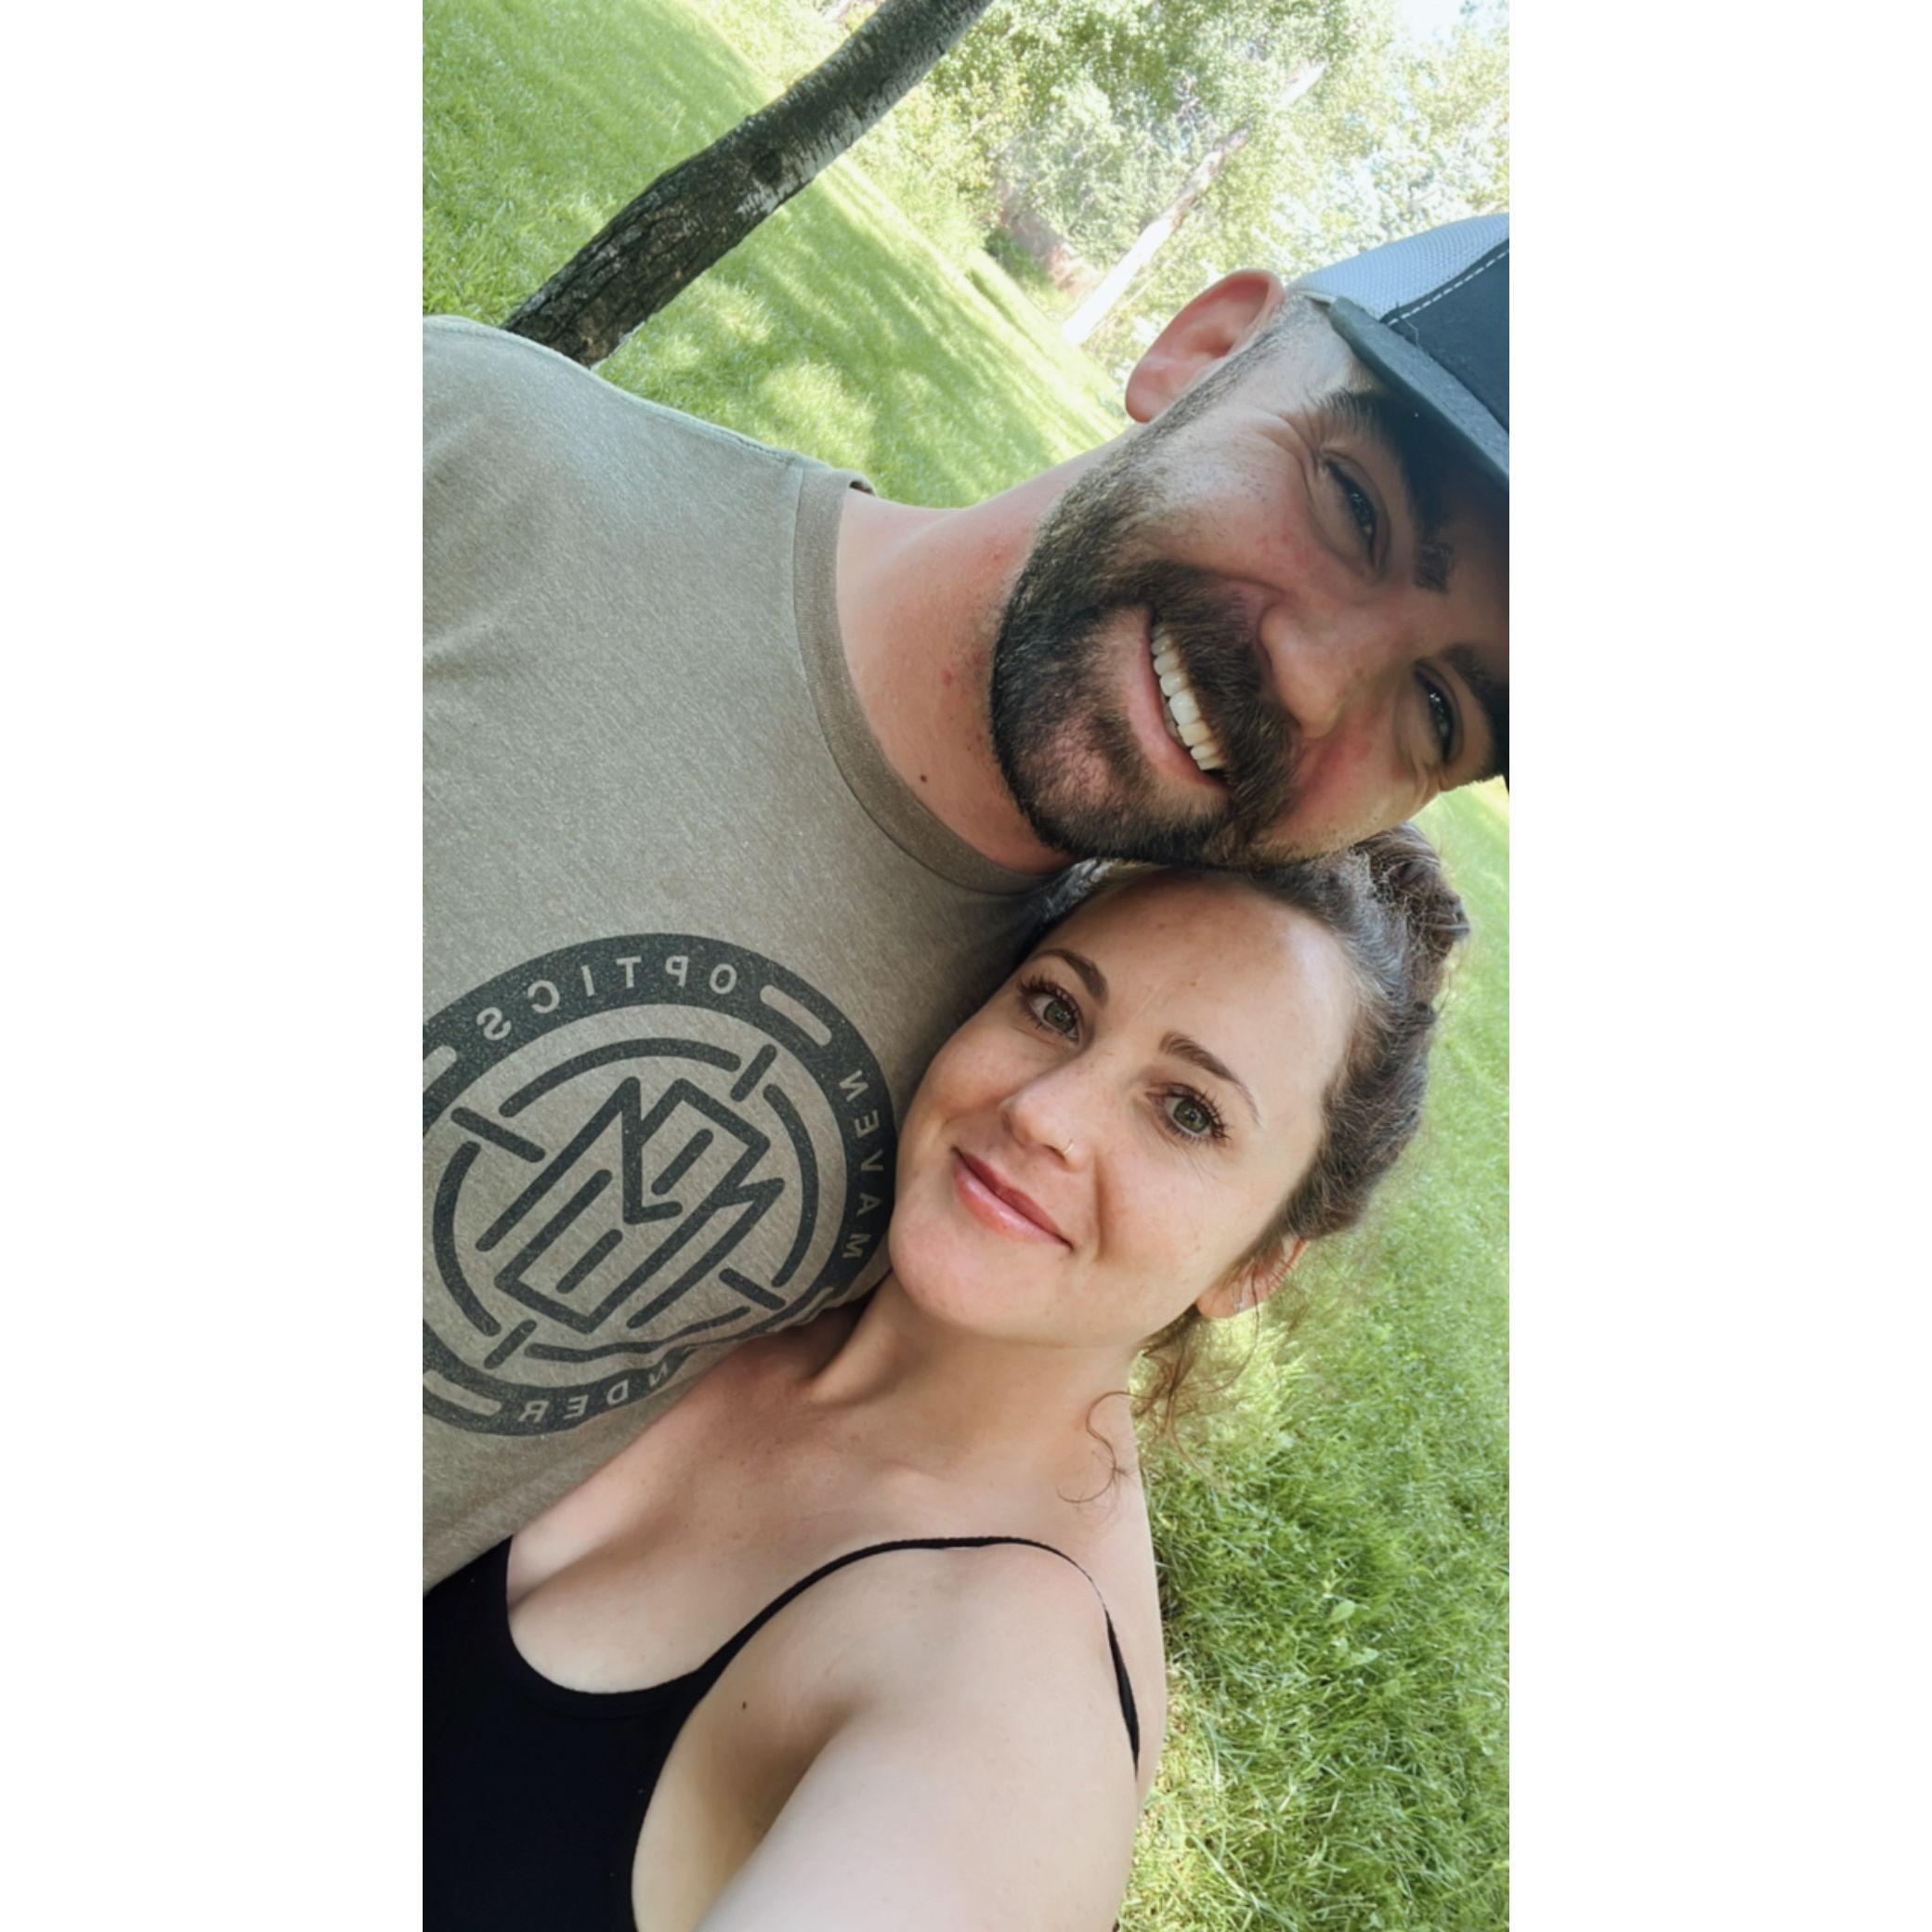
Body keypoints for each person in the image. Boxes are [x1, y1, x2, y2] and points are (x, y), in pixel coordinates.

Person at [424, 214, 1508, 1584]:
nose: (1313, 679)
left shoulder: (1042, 1092)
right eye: (1353, 505)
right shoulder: (476, 456)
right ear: (1203, 348)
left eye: (1439, 706)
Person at [425, 824, 1469, 1929]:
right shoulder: (746, 1236)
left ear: (1254, 1267)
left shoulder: (1017, 1701)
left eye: (1185, 1111)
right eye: (1056, 1008)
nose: (1043, 1111)